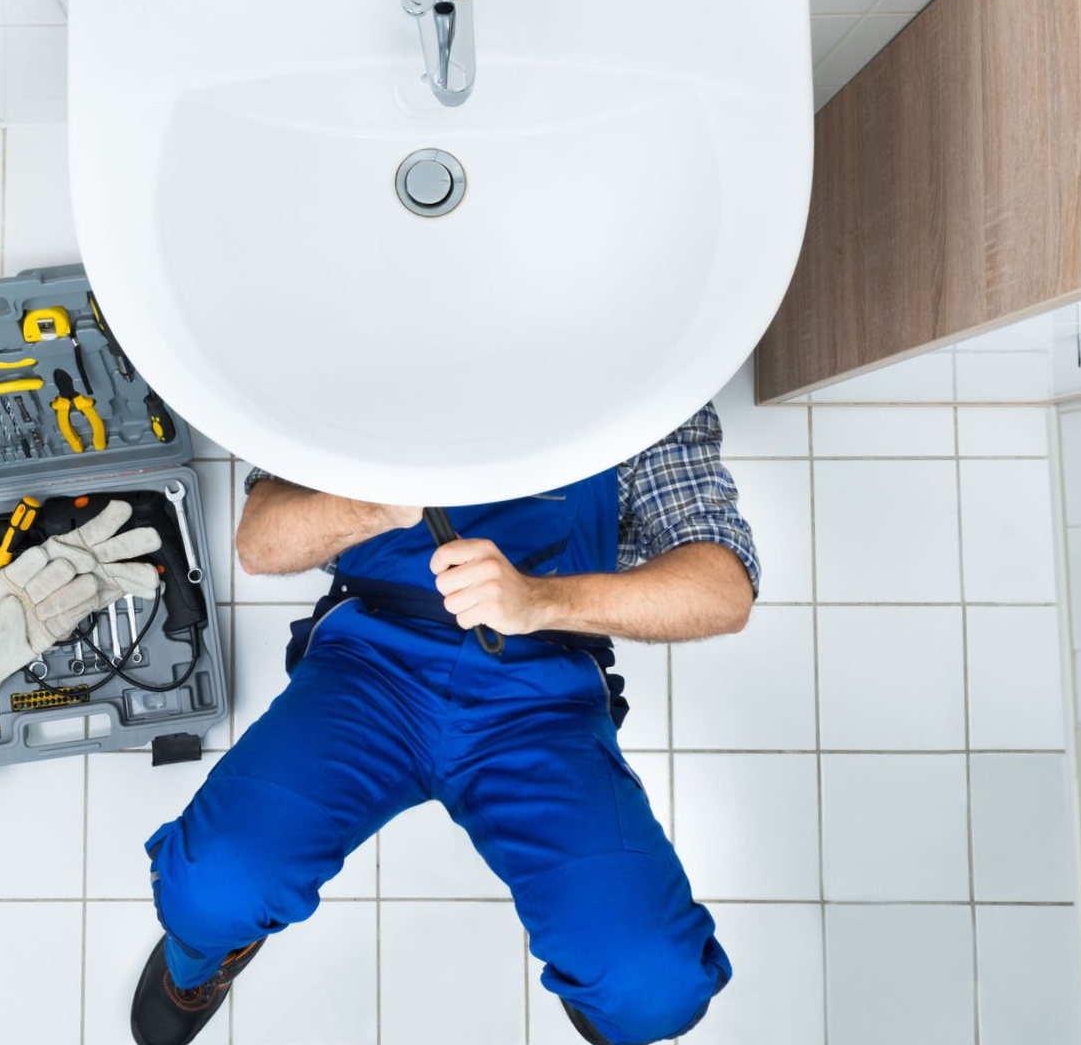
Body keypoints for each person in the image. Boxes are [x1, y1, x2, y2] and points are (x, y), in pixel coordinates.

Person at [130, 404, 760, 1045]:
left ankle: (596, 969)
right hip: (370, 667)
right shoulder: (352, 343)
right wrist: (378, 505)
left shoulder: (642, 373)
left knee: (650, 990)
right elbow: (260, 542)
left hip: (543, 697)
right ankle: (203, 961)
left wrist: (540, 599)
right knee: (211, 893)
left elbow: (723, 587)